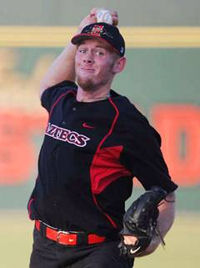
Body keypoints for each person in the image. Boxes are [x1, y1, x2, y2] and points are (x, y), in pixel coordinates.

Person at [27, 8, 178, 268]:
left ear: (118, 64)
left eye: (99, 52)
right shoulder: (62, 99)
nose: (87, 58)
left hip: (99, 252)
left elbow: (165, 194)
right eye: (83, 50)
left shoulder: (127, 123)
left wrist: (151, 241)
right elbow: (47, 86)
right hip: (45, 247)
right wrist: (80, 31)